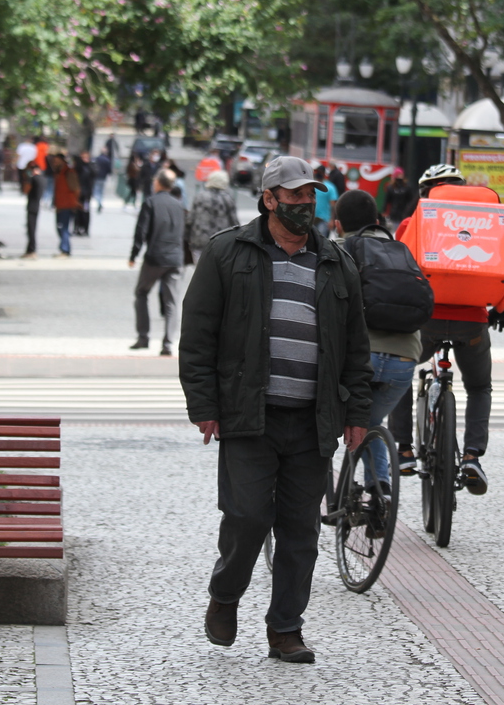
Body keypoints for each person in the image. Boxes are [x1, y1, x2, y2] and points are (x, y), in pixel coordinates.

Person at [179, 155, 372, 664]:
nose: (305, 204)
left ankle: (285, 628)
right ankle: (225, 595)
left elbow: (354, 345)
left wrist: (358, 413)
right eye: (294, 196)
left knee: (299, 531)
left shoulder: (336, 262)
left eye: (311, 195)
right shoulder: (227, 253)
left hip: (312, 421)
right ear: (268, 199)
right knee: (245, 518)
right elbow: (197, 336)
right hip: (249, 415)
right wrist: (204, 404)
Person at [387, 164, 504, 494]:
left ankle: (405, 450)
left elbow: (401, 268)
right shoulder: (492, 222)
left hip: (426, 321)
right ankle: (471, 457)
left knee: (399, 372)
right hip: (473, 323)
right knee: (479, 387)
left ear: (425, 194)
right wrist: (501, 308)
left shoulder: (414, 222)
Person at [334, 189, 428, 491]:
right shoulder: (401, 251)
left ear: (338, 225)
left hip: (361, 359)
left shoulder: (337, 250)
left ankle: (313, 490)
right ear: (377, 220)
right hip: (404, 360)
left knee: (322, 422)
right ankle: (379, 491)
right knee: (371, 422)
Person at [130, 169, 185, 356]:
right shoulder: (179, 205)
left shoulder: (151, 202)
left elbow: (141, 231)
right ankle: (168, 343)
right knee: (172, 301)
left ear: (159, 183)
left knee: (141, 292)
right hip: (176, 258)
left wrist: (134, 255)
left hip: (155, 257)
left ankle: (143, 337)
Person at [186, 169, 239, 265]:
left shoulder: (200, 197)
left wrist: (186, 237)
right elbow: (234, 222)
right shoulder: (227, 199)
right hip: (221, 242)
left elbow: (190, 219)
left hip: (199, 241)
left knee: (200, 272)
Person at [49, 153, 81, 257]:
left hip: (67, 205)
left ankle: (65, 250)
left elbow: (76, 189)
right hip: (60, 205)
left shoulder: (68, 172)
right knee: (60, 228)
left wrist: (74, 202)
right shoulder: (58, 173)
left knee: (64, 228)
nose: (55, 163)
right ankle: (64, 248)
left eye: (57, 161)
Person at [21, 161, 42, 259]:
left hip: (32, 206)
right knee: (32, 229)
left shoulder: (33, 179)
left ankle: (31, 250)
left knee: (31, 229)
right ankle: (30, 249)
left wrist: (27, 179)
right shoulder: (41, 178)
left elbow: (25, 190)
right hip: (36, 206)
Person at [311, 166, 339, 238]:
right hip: (312, 218)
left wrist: (332, 220)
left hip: (324, 219)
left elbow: (333, 205)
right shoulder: (311, 186)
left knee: (321, 240)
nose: (317, 174)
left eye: (319, 172)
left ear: (323, 173)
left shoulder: (330, 187)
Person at [92, 148, 112, 213]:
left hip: (97, 177)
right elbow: (109, 170)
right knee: (100, 191)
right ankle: (100, 202)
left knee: (96, 191)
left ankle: (99, 202)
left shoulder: (97, 159)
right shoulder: (107, 160)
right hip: (103, 177)